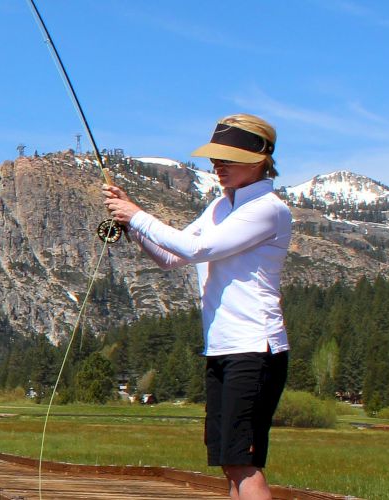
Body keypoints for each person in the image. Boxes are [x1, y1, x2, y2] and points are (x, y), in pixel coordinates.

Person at [102, 113, 292, 500]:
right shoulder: (220, 208)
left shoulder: (268, 208)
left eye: (228, 157)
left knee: (245, 462)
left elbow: (197, 249)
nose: (218, 166)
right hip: (223, 347)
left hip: (255, 348)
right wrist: (130, 225)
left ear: (260, 158)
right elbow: (172, 258)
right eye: (215, 159)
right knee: (230, 461)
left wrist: (137, 214)